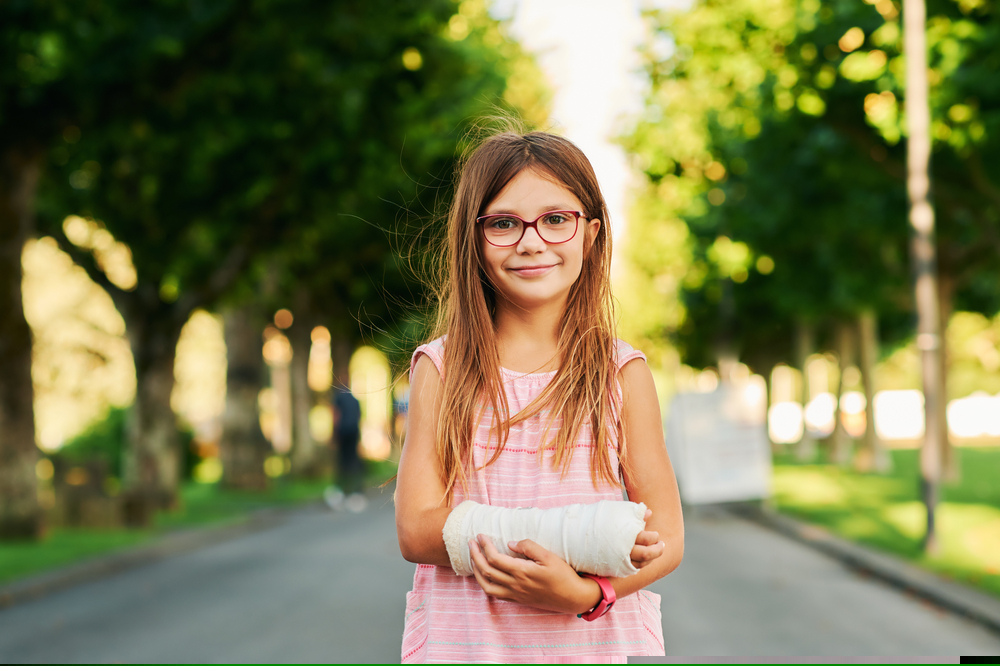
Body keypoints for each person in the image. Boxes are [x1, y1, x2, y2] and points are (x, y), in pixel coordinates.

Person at [394, 126, 684, 663]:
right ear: (473, 240)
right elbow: (415, 530)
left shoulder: (621, 374)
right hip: (464, 651)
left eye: (556, 220)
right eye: (504, 223)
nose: (532, 240)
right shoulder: (439, 368)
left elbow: (665, 536)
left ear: (590, 234)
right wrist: (556, 540)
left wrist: (584, 595)